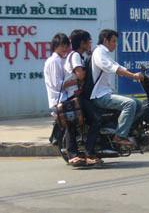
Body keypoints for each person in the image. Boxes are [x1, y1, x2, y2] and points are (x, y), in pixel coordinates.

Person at [90, 29, 142, 146]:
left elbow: (118, 66)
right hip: (100, 95)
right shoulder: (99, 53)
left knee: (138, 104)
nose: (115, 44)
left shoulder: (104, 53)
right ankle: (119, 136)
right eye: (113, 41)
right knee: (130, 104)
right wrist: (133, 75)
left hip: (106, 93)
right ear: (105, 40)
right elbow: (113, 68)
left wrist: (137, 75)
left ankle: (126, 129)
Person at [64, 29, 101, 165]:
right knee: (96, 119)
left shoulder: (78, 55)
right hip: (75, 97)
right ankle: (88, 152)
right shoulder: (75, 56)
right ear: (82, 43)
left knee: (74, 125)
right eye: (88, 41)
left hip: (76, 95)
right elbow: (80, 74)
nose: (90, 43)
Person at [43, 33, 70, 111]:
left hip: (61, 100)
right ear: (55, 46)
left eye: (66, 46)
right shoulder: (54, 61)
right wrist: (75, 82)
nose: (65, 49)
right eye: (62, 46)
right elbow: (57, 84)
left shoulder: (60, 60)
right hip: (59, 101)